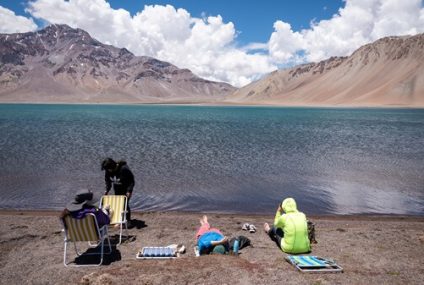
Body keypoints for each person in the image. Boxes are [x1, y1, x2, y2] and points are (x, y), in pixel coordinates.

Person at [101, 158, 135, 225]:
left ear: (112, 166)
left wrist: (129, 191)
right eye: (106, 170)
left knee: (125, 204)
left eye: (108, 169)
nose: (107, 171)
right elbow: (108, 181)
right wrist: (107, 190)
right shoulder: (108, 171)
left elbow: (131, 181)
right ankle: (120, 219)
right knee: (118, 203)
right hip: (117, 188)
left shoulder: (124, 169)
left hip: (126, 188)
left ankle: (128, 221)